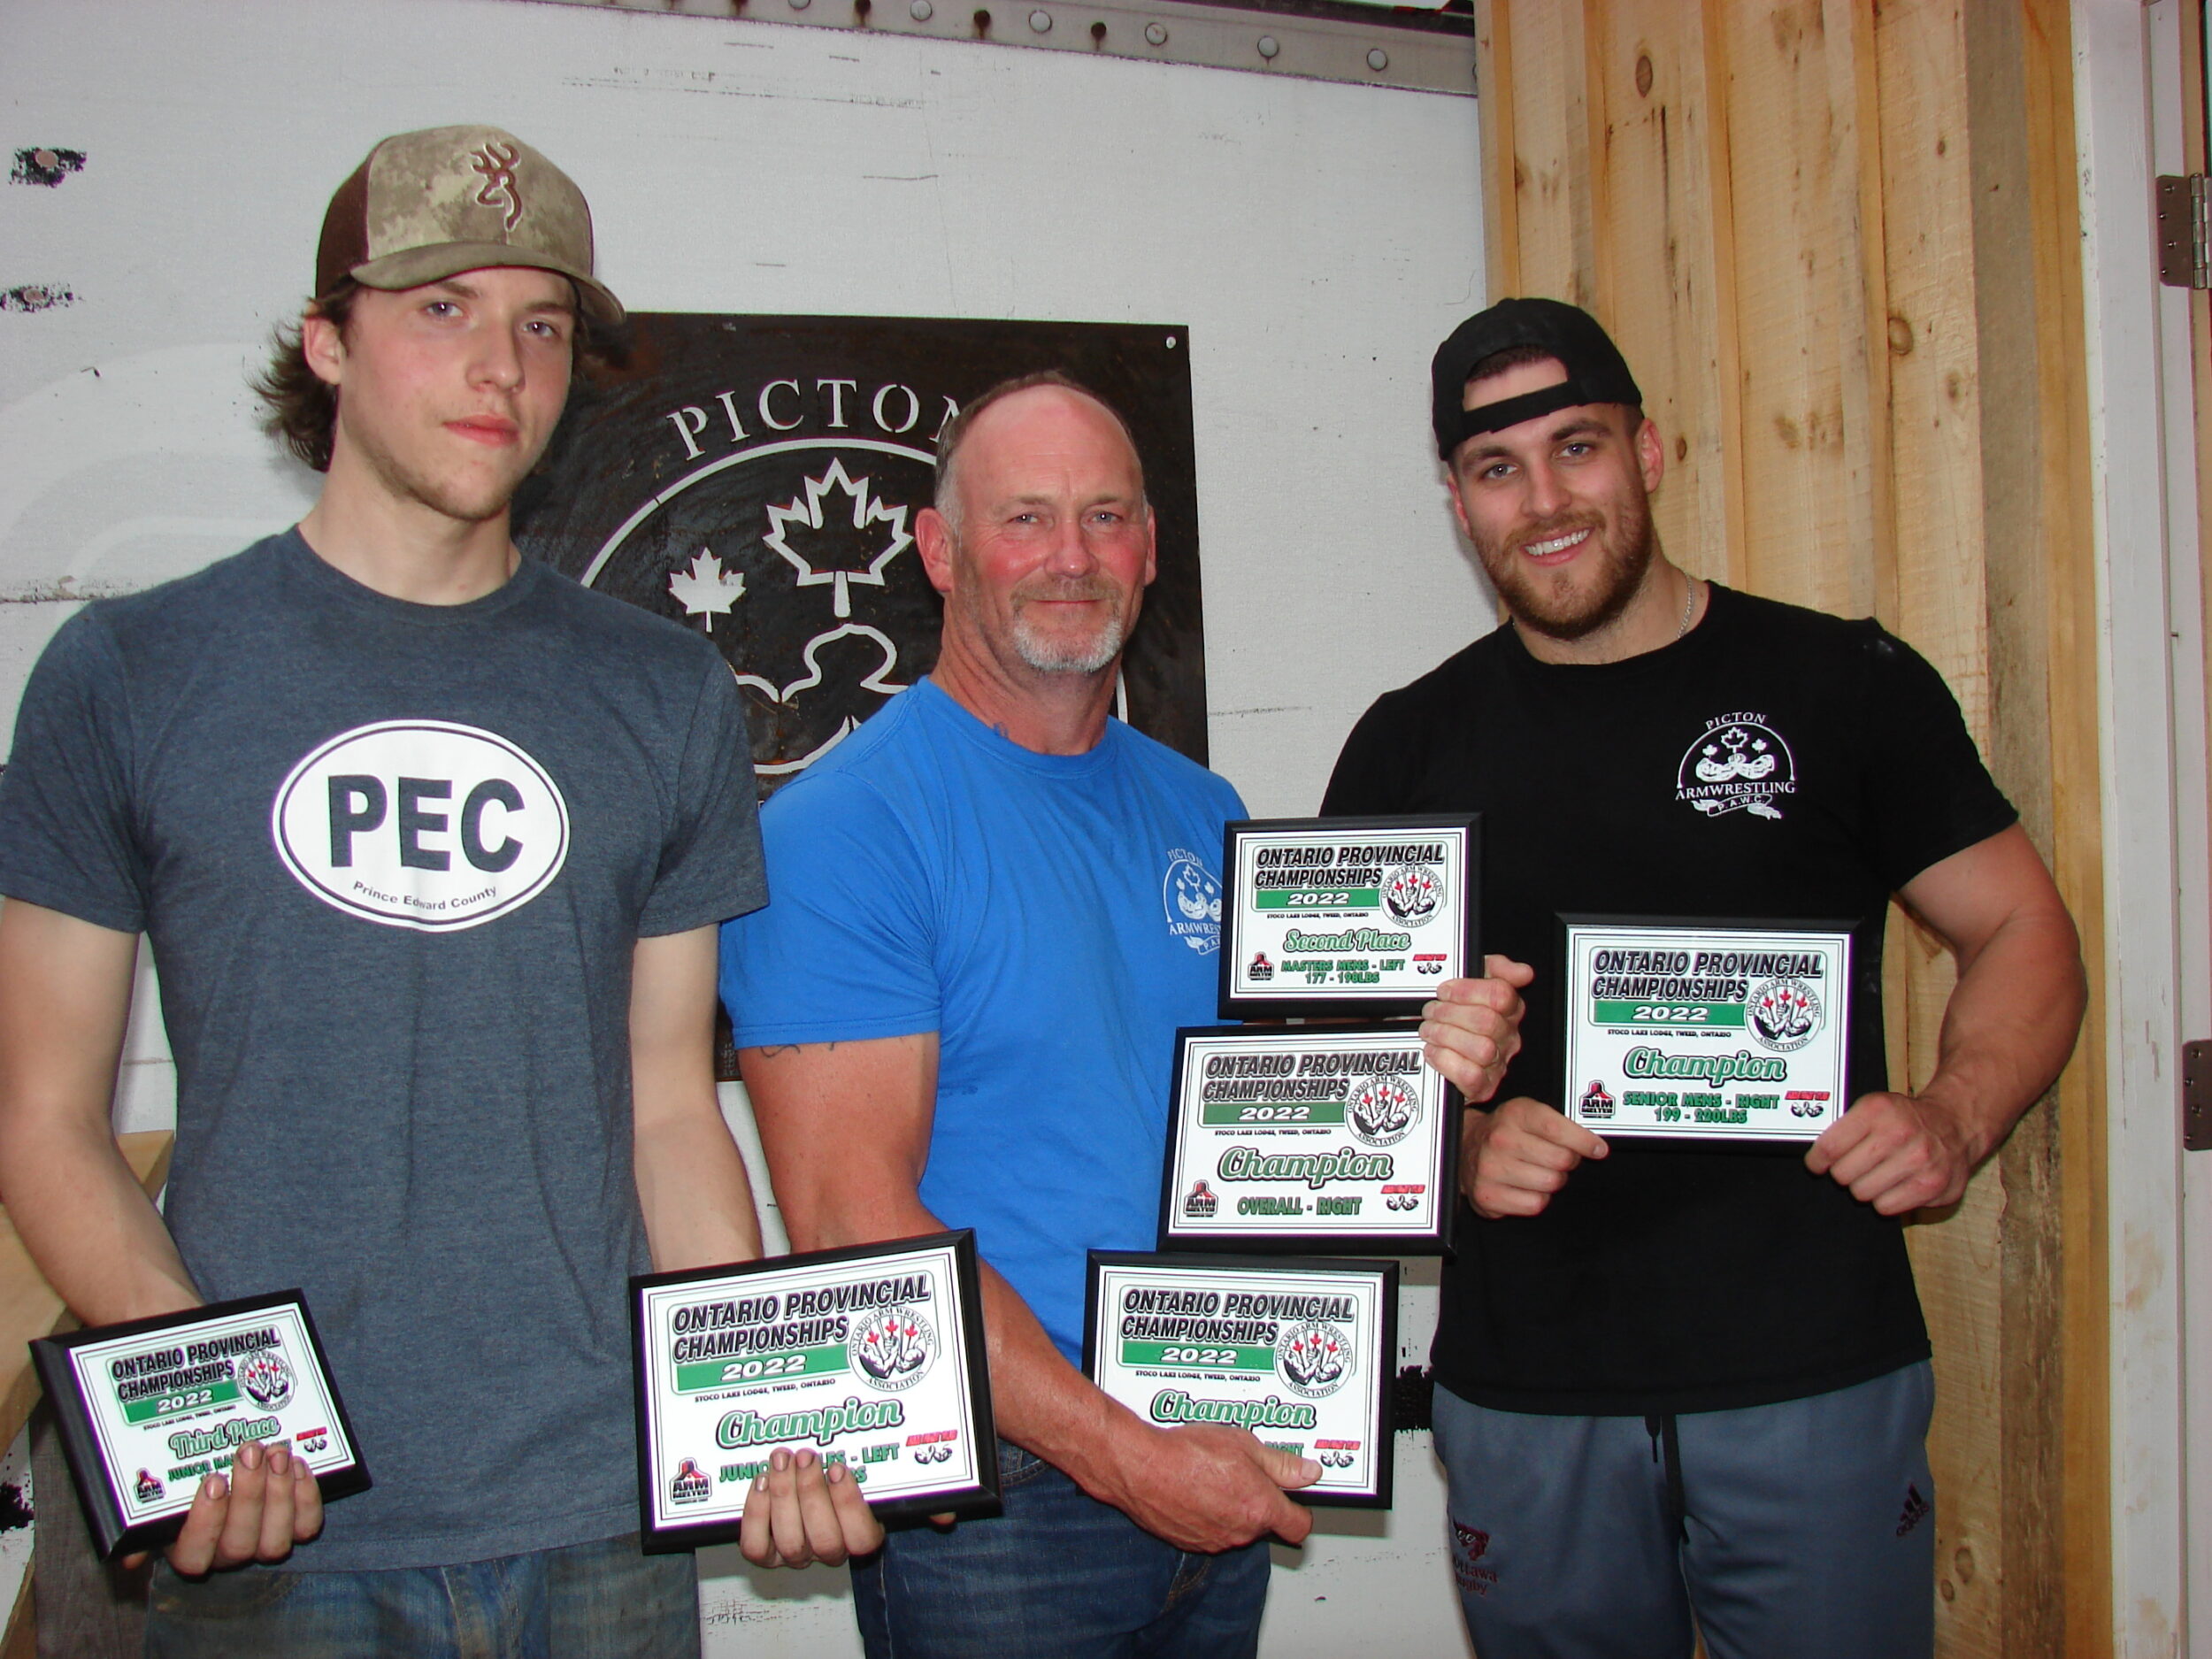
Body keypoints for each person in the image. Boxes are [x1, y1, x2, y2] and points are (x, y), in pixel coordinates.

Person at [0, 125, 874, 1655]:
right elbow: (42, 1115)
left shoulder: (661, 690)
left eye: (542, 324)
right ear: (328, 343)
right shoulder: (130, 674)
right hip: (273, 1517)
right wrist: (196, 1392)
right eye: (441, 309)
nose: (502, 368)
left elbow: (670, 1106)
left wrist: (756, 1399)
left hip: (596, 1502)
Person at [1321, 296, 2086, 1659]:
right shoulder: (1404, 748)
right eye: (1500, 470)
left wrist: (1957, 1115)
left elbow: (2022, 930)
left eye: (1580, 448)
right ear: (1458, 501)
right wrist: (1461, 1142)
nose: (1545, 500)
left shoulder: (1844, 684)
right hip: (1528, 1394)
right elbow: (1322, 1084)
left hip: (1811, 1377)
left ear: (1650, 452)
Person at [718, 372, 1525, 1658]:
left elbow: (1267, 1141)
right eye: (1025, 518)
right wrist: (1125, 1457)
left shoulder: (1202, 808)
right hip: (1009, 1497)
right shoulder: (842, 831)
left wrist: (1431, 1072)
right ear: (940, 549)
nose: (1072, 557)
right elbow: (850, 1223)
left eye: (1106, 517)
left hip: (1216, 1422)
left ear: (1149, 550)